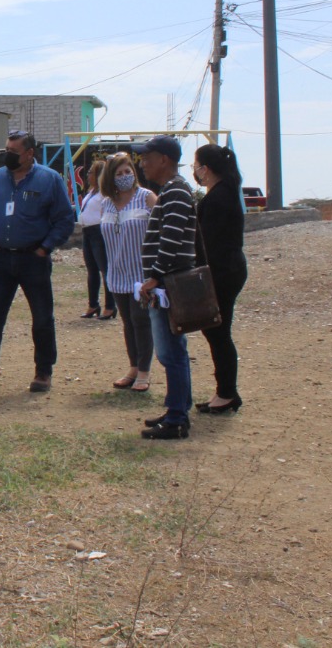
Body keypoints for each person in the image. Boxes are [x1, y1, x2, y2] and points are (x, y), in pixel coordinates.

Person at [0, 130, 75, 396]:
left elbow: (64, 219)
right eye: (6, 150)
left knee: (42, 318)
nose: (8, 155)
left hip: (33, 259)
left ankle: (43, 372)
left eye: (13, 151)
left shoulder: (50, 179)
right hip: (0, 259)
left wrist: (45, 247)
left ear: (30, 153)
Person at [133, 136, 197, 439]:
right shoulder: (173, 190)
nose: (143, 163)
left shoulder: (176, 192)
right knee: (174, 350)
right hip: (166, 282)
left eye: (148, 157)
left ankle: (176, 419)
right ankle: (177, 407)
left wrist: (155, 276)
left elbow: (171, 239)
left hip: (168, 284)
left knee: (171, 352)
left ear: (164, 160)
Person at [192, 143, 248, 414]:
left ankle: (226, 393)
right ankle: (225, 391)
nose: (194, 171)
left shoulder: (218, 197)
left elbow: (210, 242)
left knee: (218, 332)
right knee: (217, 331)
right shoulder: (224, 191)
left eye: (196, 166)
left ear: (205, 169)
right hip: (228, 269)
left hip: (223, 271)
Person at [98, 153, 157, 392]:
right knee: (127, 322)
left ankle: (144, 371)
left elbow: (160, 230)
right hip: (117, 272)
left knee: (141, 320)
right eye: (119, 173)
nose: (124, 176)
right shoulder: (106, 203)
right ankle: (133, 367)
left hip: (141, 273)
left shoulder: (146, 197)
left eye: (128, 171)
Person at [78, 158, 116, 320]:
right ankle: (93, 304)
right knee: (91, 270)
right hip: (87, 232)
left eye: (91, 172)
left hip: (98, 232)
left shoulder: (104, 194)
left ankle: (110, 306)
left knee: (105, 269)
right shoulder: (91, 192)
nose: (88, 175)